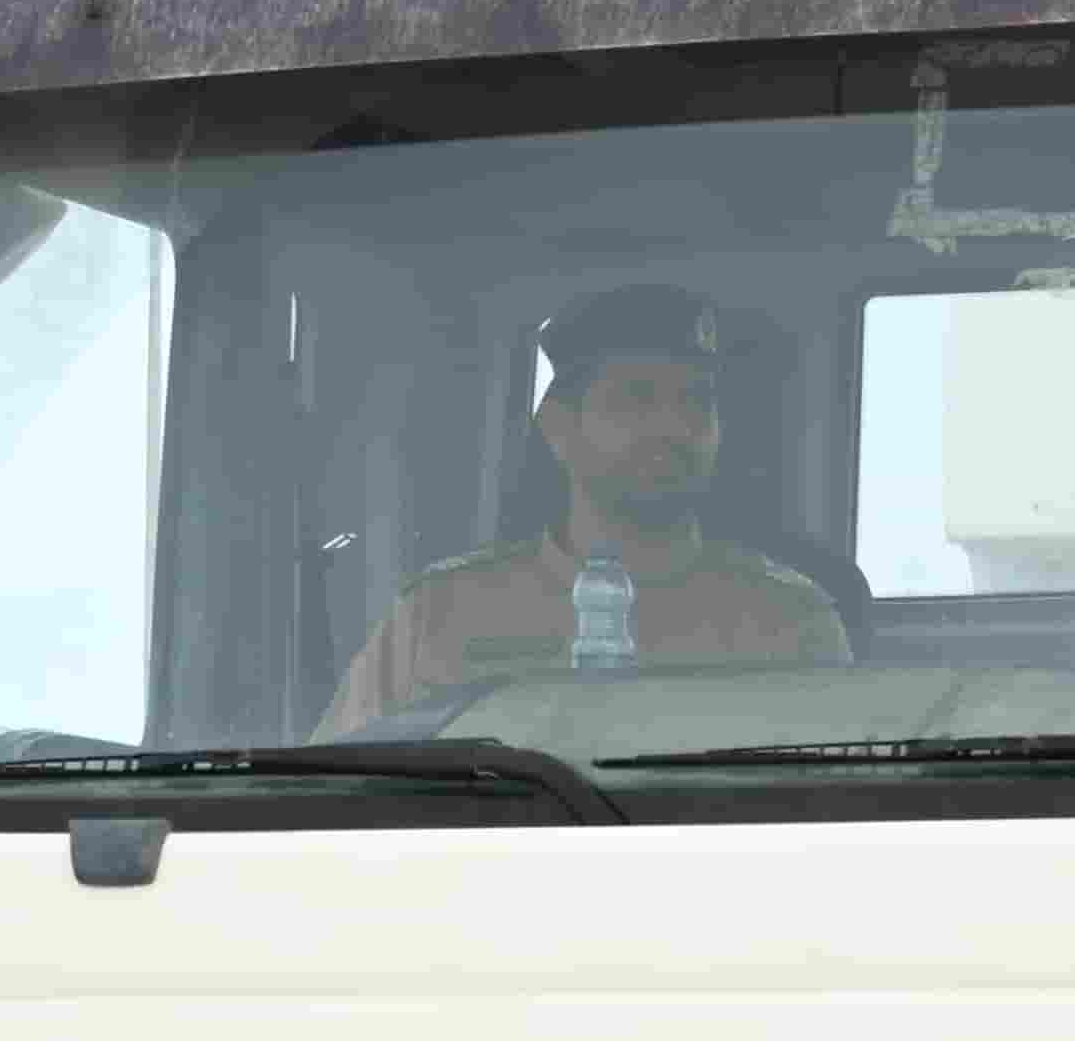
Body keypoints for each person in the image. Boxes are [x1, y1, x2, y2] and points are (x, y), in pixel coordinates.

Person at [320, 286, 853, 727]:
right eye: (637, 398)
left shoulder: (789, 623)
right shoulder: (438, 617)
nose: (673, 426)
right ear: (558, 428)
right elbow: (337, 796)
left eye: (696, 400)